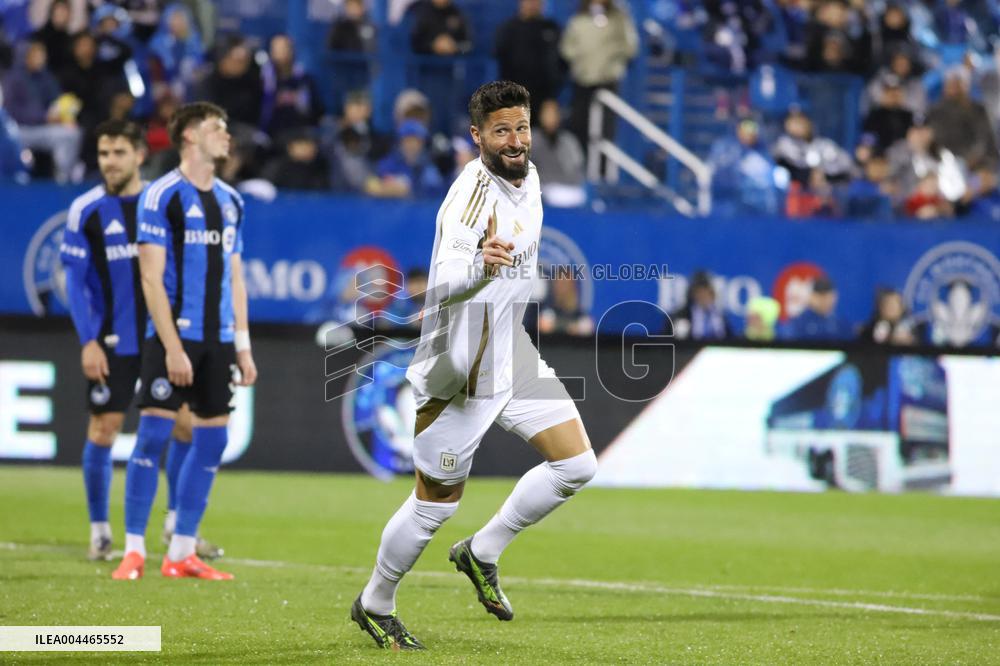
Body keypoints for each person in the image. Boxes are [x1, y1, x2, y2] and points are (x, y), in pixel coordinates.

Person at [351, 81, 596, 650]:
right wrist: (481, 271)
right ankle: (375, 601)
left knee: (577, 466)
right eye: (502, 131)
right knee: (435, 505)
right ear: (477, 136)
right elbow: (439, 288)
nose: (515, 141)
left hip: (508, 348)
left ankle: (481, 552)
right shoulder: (469, 197)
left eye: (522, 128)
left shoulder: (529, 177)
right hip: (457, 370)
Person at [111, 102, 257, 581]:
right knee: (153, 434)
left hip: (217, 341)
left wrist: (243, 346)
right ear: (190, 136)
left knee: (212, 440)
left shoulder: (232, 201)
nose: (227, 137)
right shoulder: (163, 196)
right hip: (174, 337)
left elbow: (236, 280)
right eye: (219, 128)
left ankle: (181, 551)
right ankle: (133, 549)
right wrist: (172, 348)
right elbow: (150, 279)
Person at [560, 0, 638, 150]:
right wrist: (581, 58)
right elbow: (567, 49)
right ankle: (580, 163)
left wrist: (611, 58)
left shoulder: (620, 19)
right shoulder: (577, 20)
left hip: (608, 82)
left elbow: (630, 47)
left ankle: (602, 167)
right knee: (578, 125)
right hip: (582, 82)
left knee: (605, 128)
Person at [494, 0, 564, 119]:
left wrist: (551, 100)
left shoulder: (552, 28)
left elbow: (561, 66)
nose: (532, 3)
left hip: (545, 101)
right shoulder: (507, 29)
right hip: (514, 99)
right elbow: (500, 65)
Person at [529, 99, 586, 208]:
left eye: (554, 113)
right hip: (544, 188)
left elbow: (578, 171)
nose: (551, 118)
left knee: (580, 196)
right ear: (540, 116)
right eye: (547, 114)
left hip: (569, 189)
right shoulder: (531, 139)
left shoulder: (569, 140)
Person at [779, 276, 854, 342]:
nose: (826, 302)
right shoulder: (799, 323)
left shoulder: (840, 323)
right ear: (812, 297)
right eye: (822, 297)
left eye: (830, 297)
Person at [670, 270, 732, 340]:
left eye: (706, 291)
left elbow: (730, 340)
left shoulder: (720, 317)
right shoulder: (681, 316)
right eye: (699, 292)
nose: (703, 295)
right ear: (692, 293)